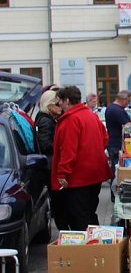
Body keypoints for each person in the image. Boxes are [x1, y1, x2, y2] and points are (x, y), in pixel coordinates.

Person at [52, 86, 110, 231]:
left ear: (66, 101)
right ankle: (96, 246)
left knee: (79, 216)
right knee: (89, 213)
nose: (58, 104)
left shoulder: (71, 120)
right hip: (94, 174)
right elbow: (104, 138)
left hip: (78, 177)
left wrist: (62, 173)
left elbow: (68, 150)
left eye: (59, 101)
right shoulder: (91, 115)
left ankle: (85, 250)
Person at [35, 90, 65, 228]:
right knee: (58, 200)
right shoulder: (46, 121)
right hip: (50, 165)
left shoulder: (45, 118)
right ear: (49, 105)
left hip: (49, 164)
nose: (60, 107)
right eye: (57, 104)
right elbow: (45, 144)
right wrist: (61, 146)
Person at [104, 90, 131, 200]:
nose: (128, 104)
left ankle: (113, 192)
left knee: (114, 167)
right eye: (128, 101)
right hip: (117, 143)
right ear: (123, 99)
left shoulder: (110, 108)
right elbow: (128, 126)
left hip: (112, 142)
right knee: (117, 169)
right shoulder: (118, 110)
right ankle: (115, 193)